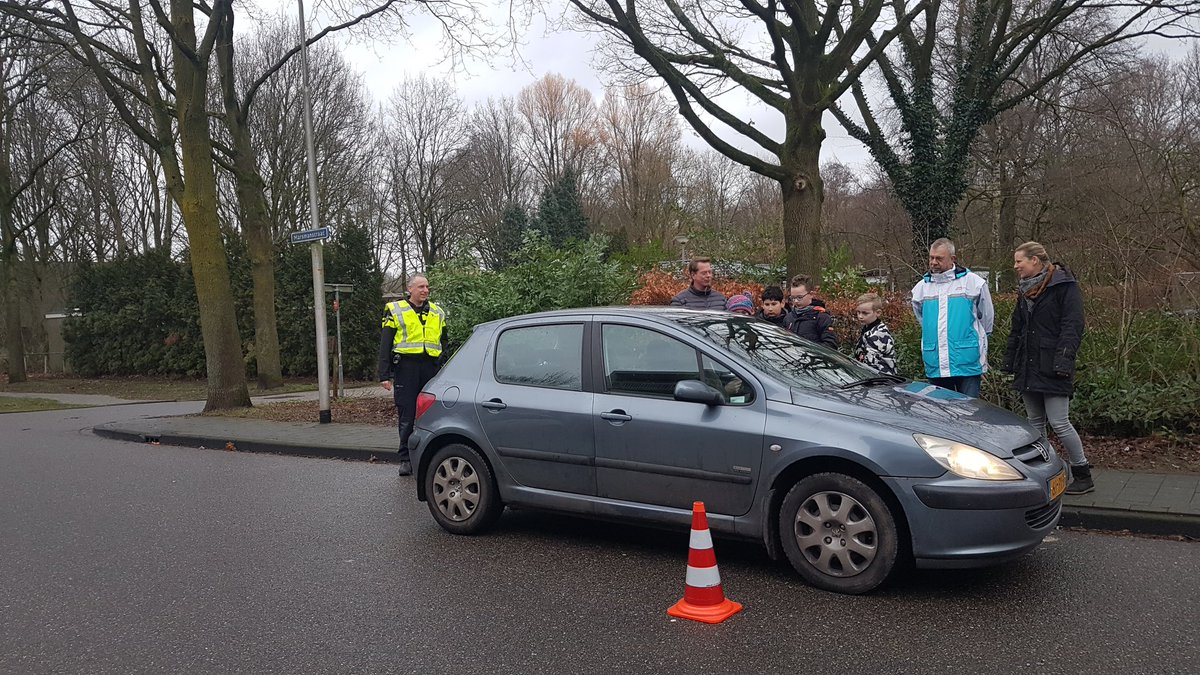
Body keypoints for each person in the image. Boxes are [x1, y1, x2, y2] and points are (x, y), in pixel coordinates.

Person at [1003, 241, 1092, 494]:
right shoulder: (1024, 291)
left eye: (1019, 261)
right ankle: (1045, 472)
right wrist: (1010, 361)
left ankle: (1082, 473)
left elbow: (1072, 327)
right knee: (1034, 424)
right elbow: (1016, 330)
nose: (1015, 266)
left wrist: (1063, 361)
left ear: (1035, 260)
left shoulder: (1065, 286)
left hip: (1053, 366)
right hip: (1028, 365)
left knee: (1060, 422)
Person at [378, 274, 446, 477]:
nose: (425, 290)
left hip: (430, 368)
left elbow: (445, 343)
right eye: (421, 287)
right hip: (406, 369)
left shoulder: (438, 312)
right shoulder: (395, 310)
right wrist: (384, 374)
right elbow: (385, 343)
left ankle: (428, 457)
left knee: (431, 415)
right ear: (410, 289)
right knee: (407, 416)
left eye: (427, 287)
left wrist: (445, 369)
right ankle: (406, 459)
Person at [910, 238, 994, 397]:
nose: (933, 262)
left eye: (939, 258)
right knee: (941, 416)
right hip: (935, 361)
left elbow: (987, 319)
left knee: (968, 413)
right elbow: (922, 319)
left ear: (952, 259)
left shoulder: (973, 283)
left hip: (966, 360)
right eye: (931, 257)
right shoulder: (921, 288)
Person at [784, 274, 838, 348]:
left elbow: (831, 345)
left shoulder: (822, 317)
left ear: (811, 294)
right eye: (793, 298)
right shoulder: (789, 318)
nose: (796, 301)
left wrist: (808, 350)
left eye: (800, 297)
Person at [854, 293, 897, 375]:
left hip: (882, 380)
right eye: (858, 312)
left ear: (878, 313)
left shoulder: (878, 335)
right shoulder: (867, 328)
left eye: (865, 313)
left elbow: (870, 365)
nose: (860, 316)